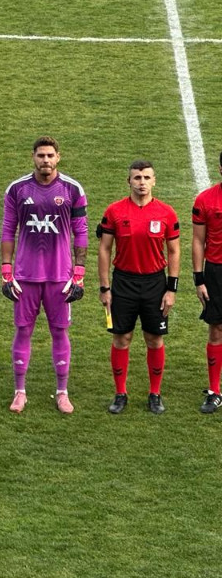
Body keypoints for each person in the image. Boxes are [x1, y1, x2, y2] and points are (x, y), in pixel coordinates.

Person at [1, 136, 89, 414]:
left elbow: (82, 232)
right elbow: (8, 229)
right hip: (25, 276)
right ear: (33, 157)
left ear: (58, 157)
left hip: (59, 278)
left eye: (50, 155)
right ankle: (20, 391)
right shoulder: (17, 189)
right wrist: (6, 270)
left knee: (59, 331)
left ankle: (62, 392)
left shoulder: (73, 189)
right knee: (23, 330)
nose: (45, 160)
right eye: (41, 156)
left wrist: (79, 273)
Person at [98, 160, 179, 414]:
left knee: (154, 339)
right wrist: (104, 288)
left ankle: (154, 393)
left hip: (155, 283)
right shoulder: (114, 211)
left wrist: (171, 289)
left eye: (146, 177)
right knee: (122, 337)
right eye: (137, 178)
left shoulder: (167, 213)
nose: (141, 182)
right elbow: (104, 249)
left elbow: (174, 251)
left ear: (154, 180)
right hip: (123, 283)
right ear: (129, 182)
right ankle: (120, 393)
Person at [191, 152, 222, 413]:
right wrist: (199, 278)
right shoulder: (205, 200)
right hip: (216, 272)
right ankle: (214, 390)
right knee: (216, 329)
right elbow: (199, 241)